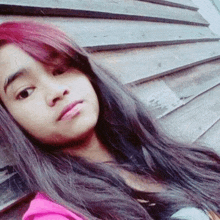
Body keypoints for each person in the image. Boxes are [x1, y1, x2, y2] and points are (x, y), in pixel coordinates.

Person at [0, 20, 219, 220]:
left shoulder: (165, 156)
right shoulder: (56, 213)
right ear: (10, 120)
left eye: (61, 69)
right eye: (25, 92)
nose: (56, 91)